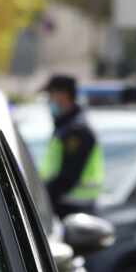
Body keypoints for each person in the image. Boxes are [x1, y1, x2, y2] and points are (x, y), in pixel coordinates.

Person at [38, 74, 104, 216]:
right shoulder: (65, 127)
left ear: (63, 95)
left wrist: (40, 198)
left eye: (50, 95)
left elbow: (67, 177)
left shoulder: (76, 131)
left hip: (74, 210)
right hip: (65, 207)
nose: (48, 101)